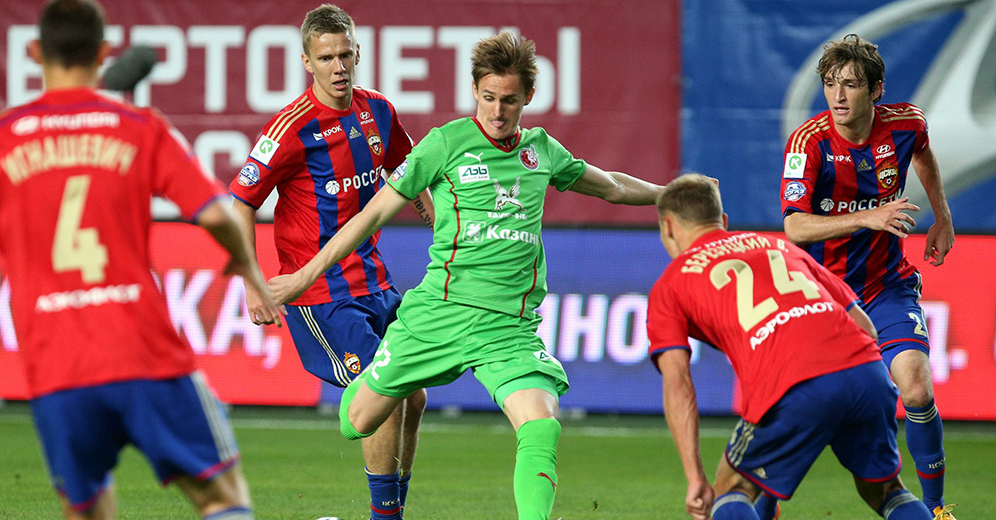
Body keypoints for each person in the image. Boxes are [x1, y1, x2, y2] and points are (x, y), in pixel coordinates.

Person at [266, 30, 664, 520]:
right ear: (475, 90)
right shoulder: (445, 144)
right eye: (489, 97)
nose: (497, 111)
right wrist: (304, 276)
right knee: (358, 421)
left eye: (509, 100)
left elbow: (613, 187)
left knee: (541, 425)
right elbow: (369, 216)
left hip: (507, 328)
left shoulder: (541, 150)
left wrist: (670, 193)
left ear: (529, 97)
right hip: (437, 315)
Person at [0, 1, 281, 519]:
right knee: (221, 497)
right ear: (104, 53)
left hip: (57, 370)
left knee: (87, 509)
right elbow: (215, 214)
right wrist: (246, 263)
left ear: (33, 52)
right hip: (143, 355)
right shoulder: (137, 127)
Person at [227, 5, 430, 519]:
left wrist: (439, 226)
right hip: (321, 293)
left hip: (374, 280)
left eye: (344, 55)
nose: (338, 67)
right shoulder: (290, 128)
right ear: (306, 62)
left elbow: (407, 173)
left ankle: (394, 509)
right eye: (326, 58)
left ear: (357, 52)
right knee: (382, 389)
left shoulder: (378, 111)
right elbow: (241, 202)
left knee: (415, 395)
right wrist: (252, 282)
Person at [648, 174, 934, 520]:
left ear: (668, 226)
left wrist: (695, 477)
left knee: (731, 489)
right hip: (867, 372)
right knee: (887, 491)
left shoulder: (671, 283)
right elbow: (866, 327)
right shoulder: (778, 246)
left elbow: (678, 383)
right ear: (722, 220)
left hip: (791, 383)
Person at [779, 34, 956, 520]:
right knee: (794, 409)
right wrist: (867, 216)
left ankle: (936, 509)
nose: (837, 96)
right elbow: (795, 227)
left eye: (851, 85)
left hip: (885, 287)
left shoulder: (906, 123)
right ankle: (760, 502)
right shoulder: (808, 143)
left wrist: (942, 216)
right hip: (824, 297)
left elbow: (923, 152)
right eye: (830, 84)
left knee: (917, 390)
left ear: (876, 89)